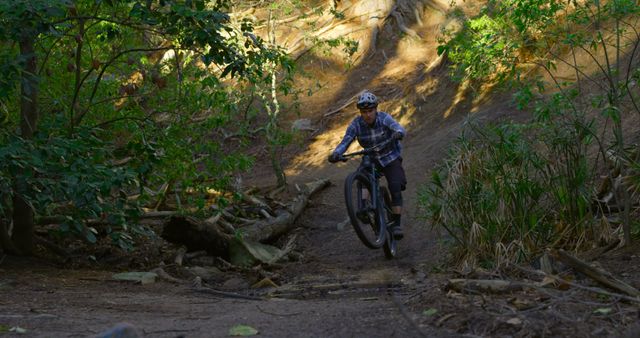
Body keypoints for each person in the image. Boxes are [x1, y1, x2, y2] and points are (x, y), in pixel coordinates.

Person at [328, 90, 407, 239]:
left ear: (376, 109)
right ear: (360, 112)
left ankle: (396, 224)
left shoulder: (384, 119)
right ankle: (364, 208)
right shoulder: (356, 124)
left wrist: (398, 133)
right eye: (364, 111)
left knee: (395, 186)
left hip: (390, 158)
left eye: (370, 110)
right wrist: (336, 154)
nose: (368, 114)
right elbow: (345, 141)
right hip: (372, 160)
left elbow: (399, 128)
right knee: (363, 176)